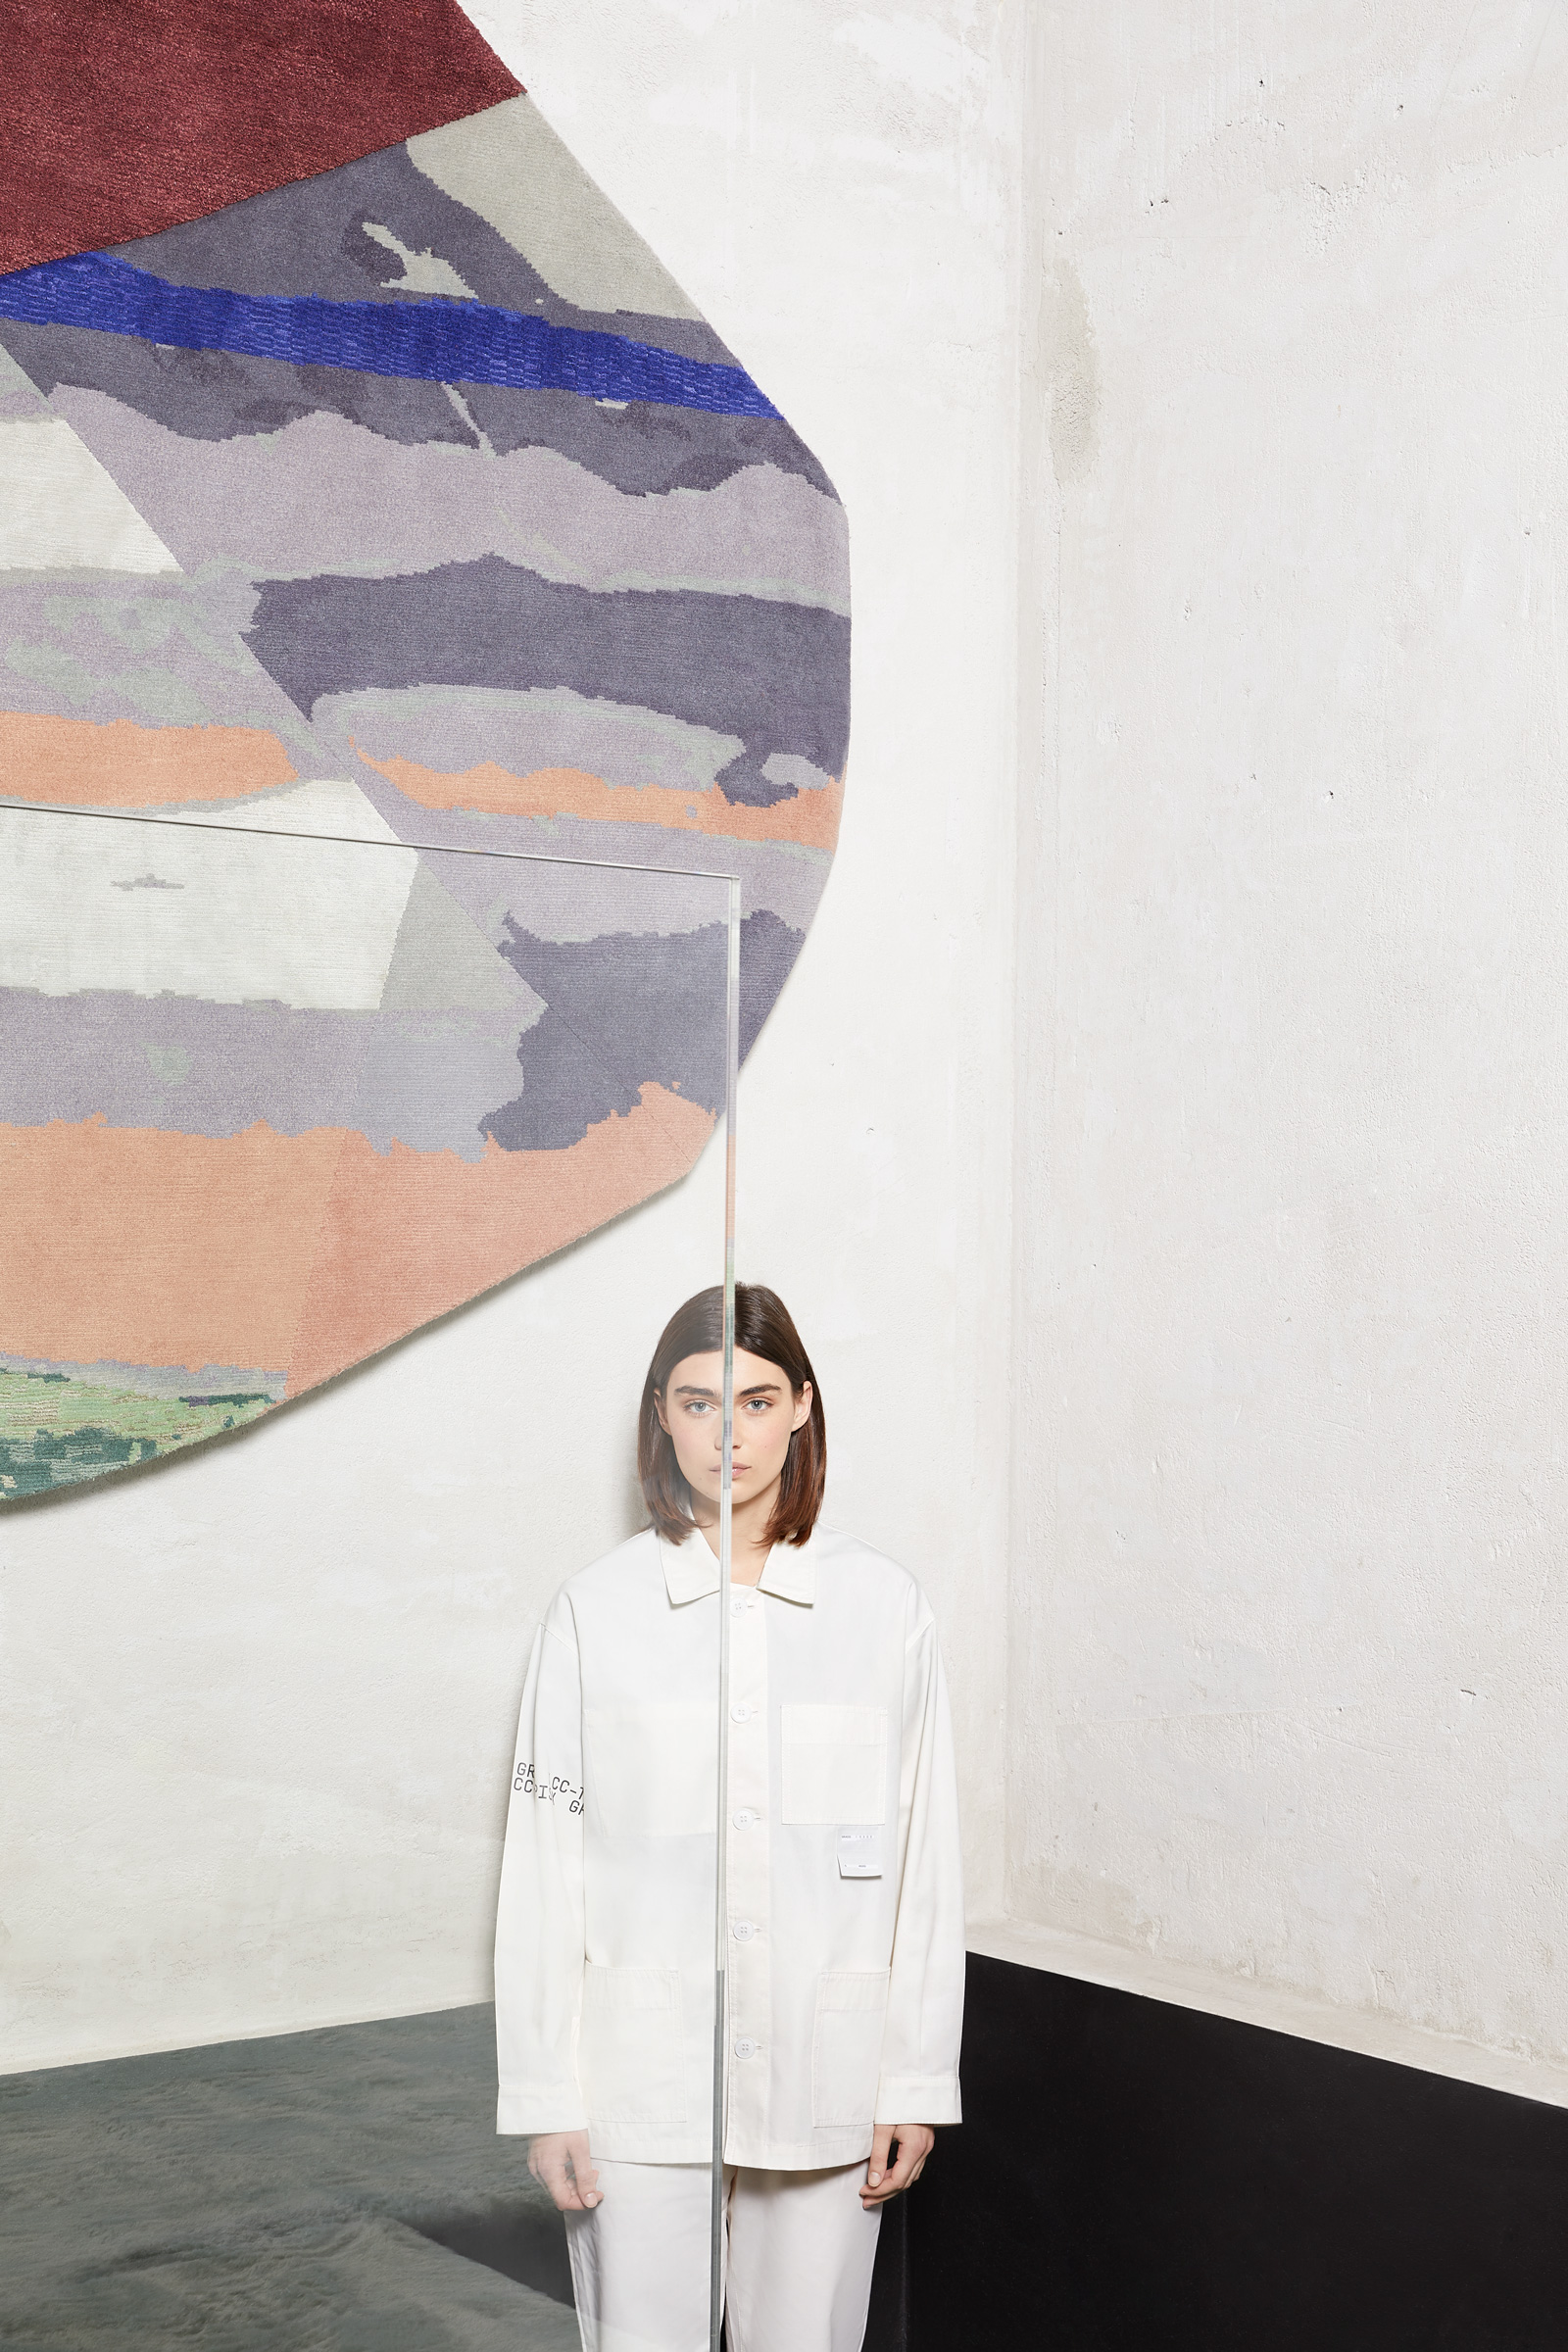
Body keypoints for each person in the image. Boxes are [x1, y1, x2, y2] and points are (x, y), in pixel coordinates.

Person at [494, 1283, 965, 2352]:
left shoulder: (883, 1609)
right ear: (662, 1414)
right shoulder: (594, 1612)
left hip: (826, 2063)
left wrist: (913, 2078)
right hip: (637, 2078)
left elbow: (924, 1861)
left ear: (801, 1406)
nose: (728, 1434)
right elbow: (544, 1863)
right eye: (700, 1403)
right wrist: (547, 2095)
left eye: (755, 1401)